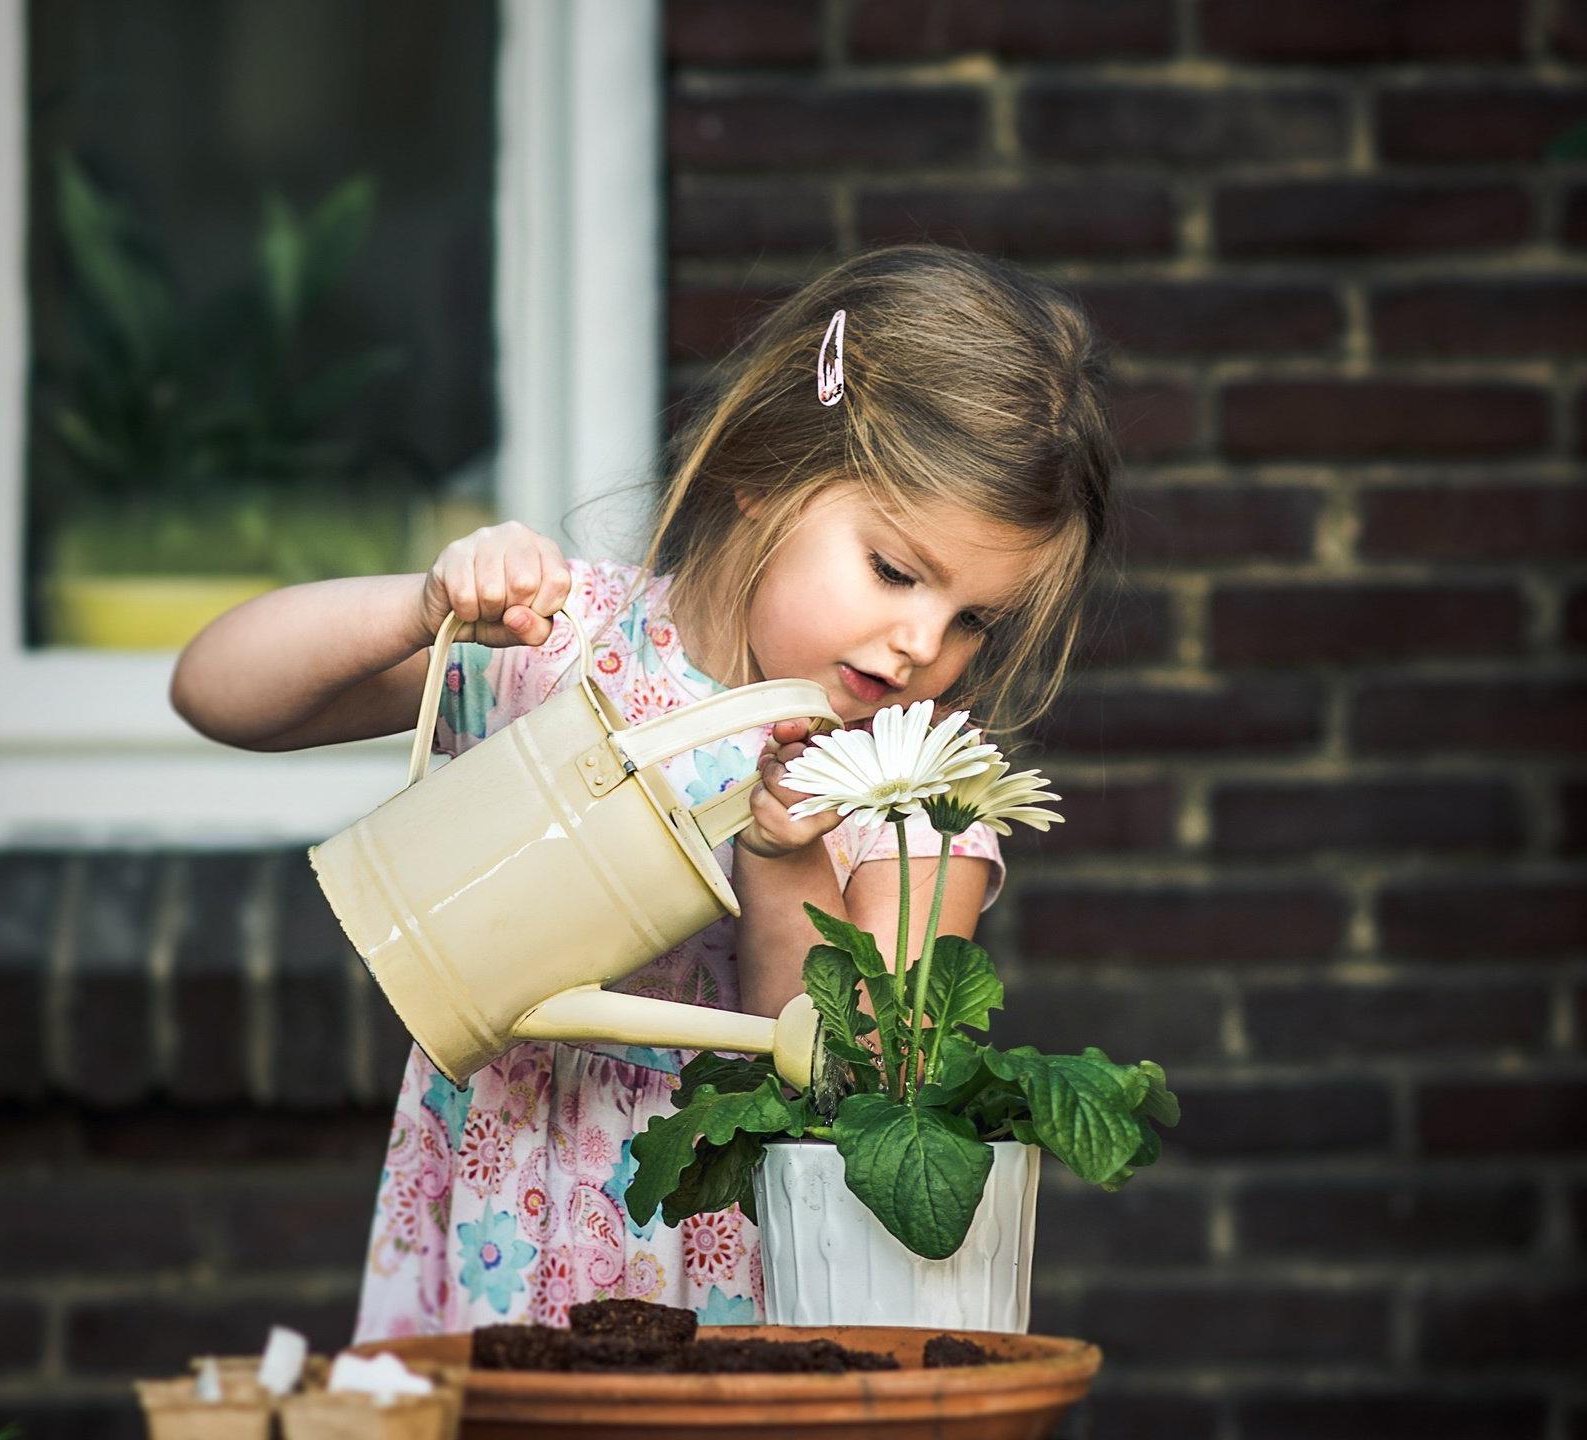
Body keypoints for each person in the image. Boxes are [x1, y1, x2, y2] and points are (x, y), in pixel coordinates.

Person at [169, 244, 1117, 1337]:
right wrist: (419, 604)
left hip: (729, 1273)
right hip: (500, 1236)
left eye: (973, 621)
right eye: (897, 572)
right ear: (762, 473)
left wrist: (784, 859)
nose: (921, 644)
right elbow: (222, 693)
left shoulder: (916, 793)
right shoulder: (558, 646)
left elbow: (853, 1099)